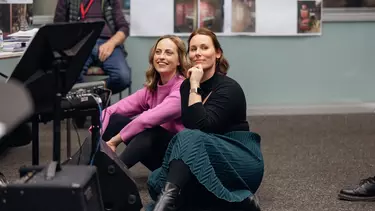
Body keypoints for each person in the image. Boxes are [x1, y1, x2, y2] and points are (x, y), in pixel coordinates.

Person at [146, 28, 264, 211]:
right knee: (155, 180)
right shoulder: (186, 87)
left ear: (217, 53)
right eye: (193, 49)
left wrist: (194, 85)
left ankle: (164, 205)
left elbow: (201, 127)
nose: (198, 53)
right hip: (205, 155)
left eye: (204, 47)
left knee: (188, 139)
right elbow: (192, 125)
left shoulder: (230, 88)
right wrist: (192, 84)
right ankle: (240, 203)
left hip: (239, 160)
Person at [101, 35, 189, 171]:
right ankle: (88, 167)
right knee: (114, 119)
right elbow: (111, 110)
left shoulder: (183, 88)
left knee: (149, 130)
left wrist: (114, 141)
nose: (161, 56)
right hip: (157, 153)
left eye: (168, 53)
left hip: (179, 160)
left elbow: (146, 120)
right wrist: (95, 134)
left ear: (179, 60)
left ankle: (115, 173)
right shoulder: (152, 89)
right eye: (158, 52)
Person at [53, 0, 131, 95]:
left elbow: (124, 28)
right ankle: (89, 100)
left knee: (123, 77)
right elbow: (58, 27)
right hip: (80, 42)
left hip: (107, 42)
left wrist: (111, 43)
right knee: (71, 76)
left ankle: (93, 94)